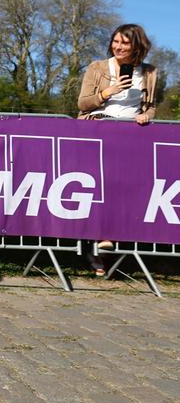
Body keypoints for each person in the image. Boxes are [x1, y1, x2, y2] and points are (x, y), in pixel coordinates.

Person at [77, 23, 158, 273]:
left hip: (130, 137)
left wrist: (146, 116)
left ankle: (106, 241)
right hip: (97, 131)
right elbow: (82, 104)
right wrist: (106, 92)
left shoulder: (150, 72)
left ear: (137, 46)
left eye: (124, 42)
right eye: (115, 41)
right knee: (98, 188)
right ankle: (97, 243)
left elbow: (151, 106)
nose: (118, 47)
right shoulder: (97, 67)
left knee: (122, 190)